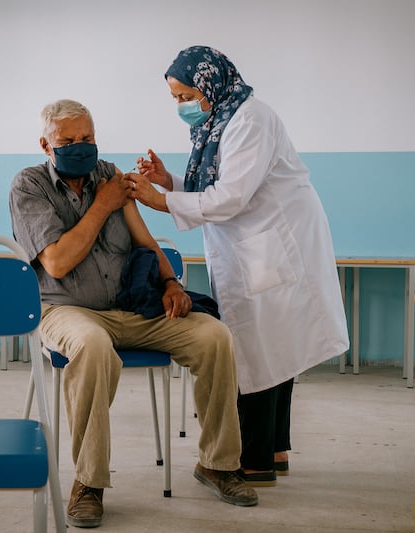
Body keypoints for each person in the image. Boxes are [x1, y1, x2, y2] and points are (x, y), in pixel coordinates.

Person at [9, 99, 257, 529]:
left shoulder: (110, 176)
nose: (81, 147)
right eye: (68, 141)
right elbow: (57, 263)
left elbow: (145, 241)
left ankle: (218, 463)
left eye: (87, 137)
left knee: (213, 337)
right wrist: (102, 205)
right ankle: (88, 483)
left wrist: (171, 284)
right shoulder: (29, 186)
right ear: (46, 144)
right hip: (65, 310)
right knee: (92, 346)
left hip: (131, 306)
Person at [126, 46, 349, 487]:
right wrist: (168, 181)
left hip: (273, 243)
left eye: (186, 95)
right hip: (254, 243)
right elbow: (216, 182)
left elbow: (230, 196)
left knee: (256, 351)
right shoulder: (218, 121)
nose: (182, 106)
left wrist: (160, 201)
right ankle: (275, 450)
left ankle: (254, 461)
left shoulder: (250, 120)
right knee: (272, 346)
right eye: (174, 98)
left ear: (210, 83)